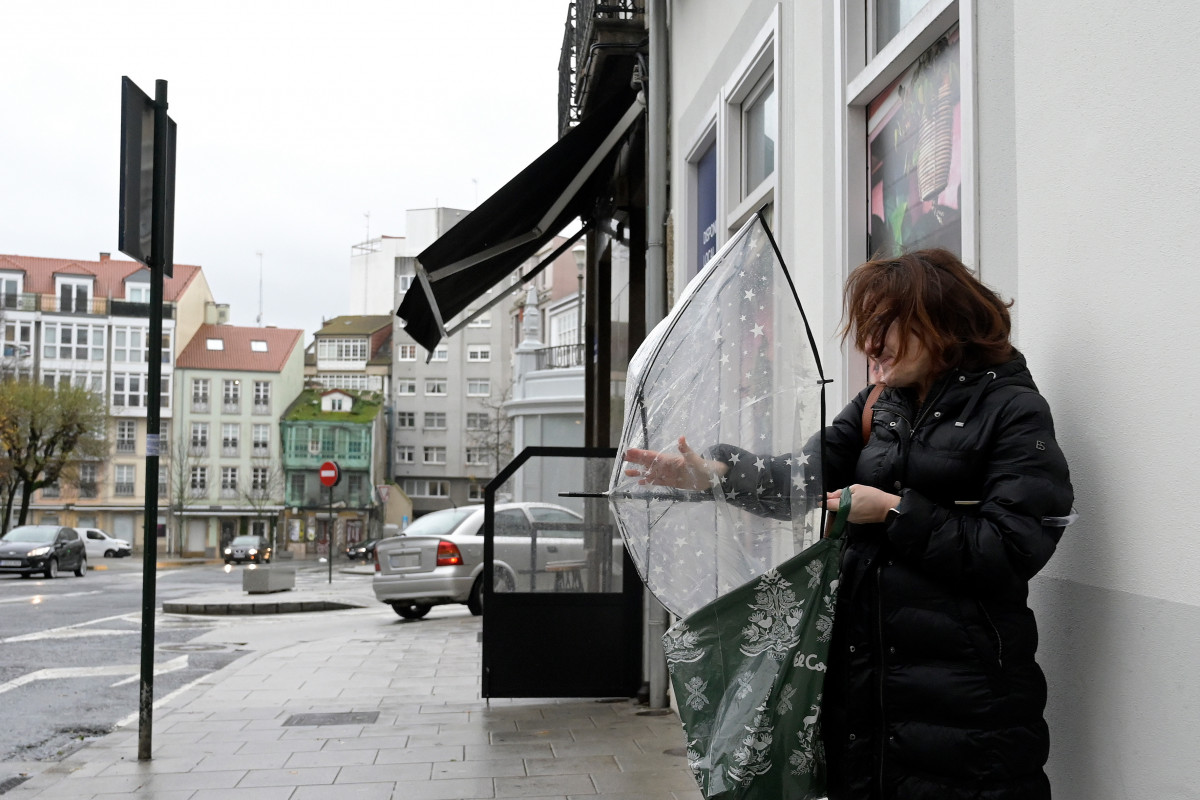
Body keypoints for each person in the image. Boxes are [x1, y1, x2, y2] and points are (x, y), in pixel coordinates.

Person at [624, 248, 1073, 800]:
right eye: (865, 328)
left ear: (940, 320)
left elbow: (1014, 546)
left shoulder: (1013, 411)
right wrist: (712, 473)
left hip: (966, 700)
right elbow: (798, 479)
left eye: (884, 327)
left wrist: (894, 512)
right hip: (867, 688)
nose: (869, 345)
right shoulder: (877, 406)